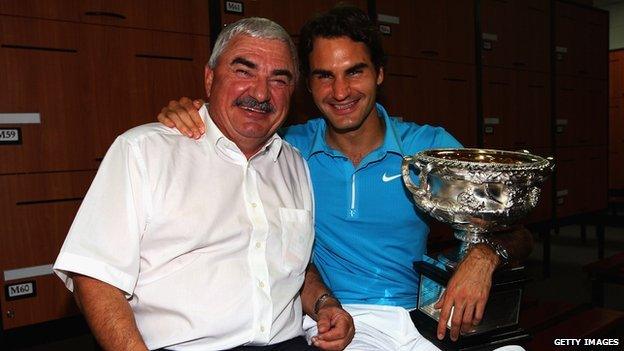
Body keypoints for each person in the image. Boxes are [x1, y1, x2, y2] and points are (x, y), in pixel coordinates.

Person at [158, 7, 533, 351]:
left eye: (355, 71)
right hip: (341, 324)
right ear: (307, 84)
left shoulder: (429, 150)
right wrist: (191, 112)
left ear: (380, 73)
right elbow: (229, 129)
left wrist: (484, 256)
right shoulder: (287, 150)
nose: (340, 92)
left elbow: (516, 231)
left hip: (424, 317)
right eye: (324, 76)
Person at [53, 17, 354, 351]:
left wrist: (325, 304)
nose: (260, 92)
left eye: (279, 79)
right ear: (210, 78)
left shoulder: (295, 165)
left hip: (289, 343)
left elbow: (293, 265)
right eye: (244, 71)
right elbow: (94, 277)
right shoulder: (143, 152)